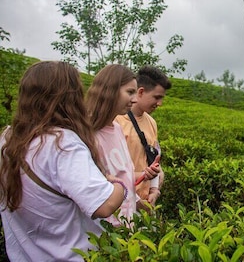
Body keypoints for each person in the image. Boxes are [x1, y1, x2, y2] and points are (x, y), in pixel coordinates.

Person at [0, 61, 125, 261]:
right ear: (70, 97)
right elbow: (105, 205)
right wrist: (118, 183)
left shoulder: (7, 138)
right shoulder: (62, 143)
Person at [85, 64, 160, 225]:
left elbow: (122, 175)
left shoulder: (117, 129)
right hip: (103, 229)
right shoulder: (86, 134)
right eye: (130, 92)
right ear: (109, 91)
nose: (134, 99)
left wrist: (143, 180)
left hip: (127, 225)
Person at [115, 65, 171, 208]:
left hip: (145, 206)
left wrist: (154, 190)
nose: (159, 103)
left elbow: (154, 162)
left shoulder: (151, 123)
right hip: (121, 204)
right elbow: (110, 172)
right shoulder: (117, 121)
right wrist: (137, 200)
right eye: (156, 97)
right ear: (140, 92)